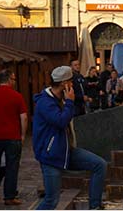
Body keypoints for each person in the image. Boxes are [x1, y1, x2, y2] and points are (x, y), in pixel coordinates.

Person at [33, 66, 107, 210]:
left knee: (100, 165)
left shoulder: (61, 98)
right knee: (51, 200)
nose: (72, 84)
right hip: (50, 156)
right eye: (71, 81)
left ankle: (95, 206)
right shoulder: (45, 102)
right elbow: (60, 121)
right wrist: (70, 102)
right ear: (63, 83)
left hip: (66, 150)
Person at [0, 69, 29, 205]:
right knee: (12, 166)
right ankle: (9, 197)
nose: (14, 81)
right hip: (12, 137)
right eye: (13, 79)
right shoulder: (17, 96)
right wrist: (23, 135)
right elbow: (24, 117)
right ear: (8, 79)